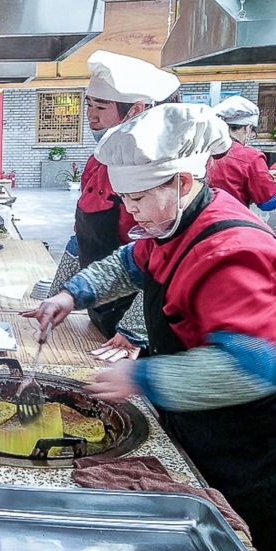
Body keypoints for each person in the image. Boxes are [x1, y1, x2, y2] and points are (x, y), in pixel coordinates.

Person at [25, 103, 276, 551]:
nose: (131, 214)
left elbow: (250, 367)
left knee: (244, 541)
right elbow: (131, 261)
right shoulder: (173, 223)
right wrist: (72, 294)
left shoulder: (234, 253)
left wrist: (143, 376)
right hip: (199, 416)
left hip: (251, 435)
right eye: (125, 201)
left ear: (182, 182)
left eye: (139, 200)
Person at [50, 51, 180, 362]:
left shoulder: (156, 171)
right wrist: (66, 293)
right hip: (101, 303)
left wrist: (135, 328)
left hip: (139, 316)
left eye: (101, 107)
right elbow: (88, 236)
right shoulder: (98, 159)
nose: (91, 115)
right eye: (89, 105)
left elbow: (161, 259)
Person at [208, 95, 276, 212]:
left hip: (196, 223)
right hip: (230, 222)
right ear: (248, 128)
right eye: (253, 131)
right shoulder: (250, 156)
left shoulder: (201, 149)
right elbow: (270, 201)